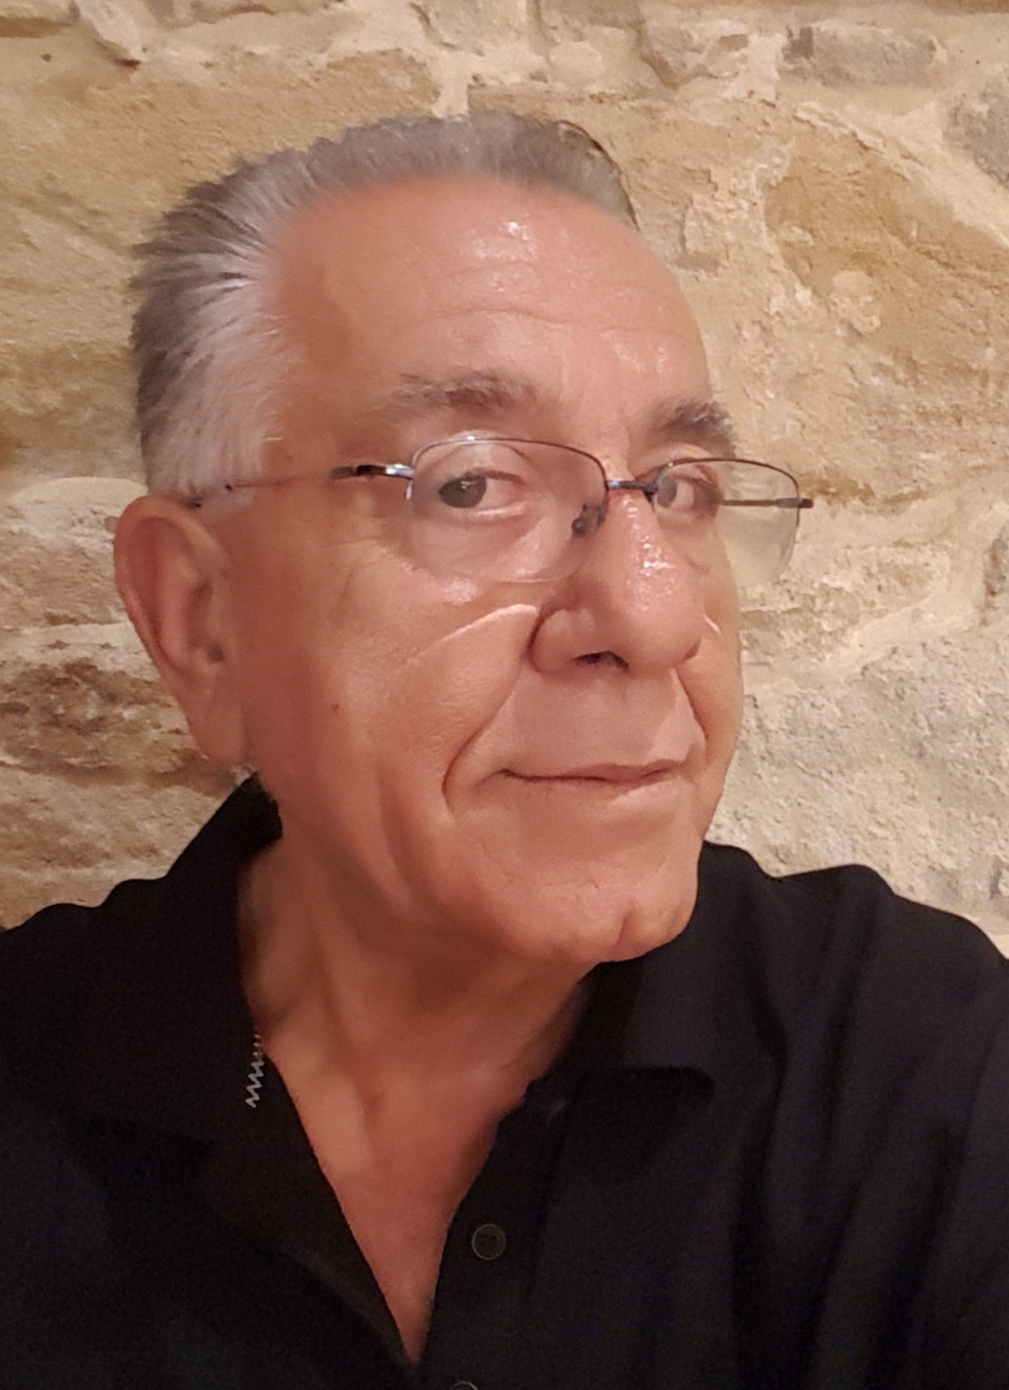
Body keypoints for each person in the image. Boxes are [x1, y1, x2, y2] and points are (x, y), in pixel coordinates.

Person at [1, 111, 1007, 1390]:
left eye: (678, 488)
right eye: (469, 485)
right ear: (200, 619)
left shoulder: (916, 1068)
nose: (652, 617)